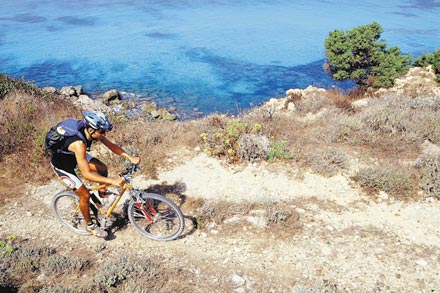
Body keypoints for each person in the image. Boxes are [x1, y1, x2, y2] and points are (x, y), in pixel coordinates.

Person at [49, 111, 140, 238]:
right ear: (91, 129)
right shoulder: (79, 144)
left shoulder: (93, 132)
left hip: (74, 157)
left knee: (102, 168)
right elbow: (86, 174)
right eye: (102, 132)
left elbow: (112, 146)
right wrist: (112, 181)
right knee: (84, 195)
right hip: (62, 165)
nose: (104, 134)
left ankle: (102, 193)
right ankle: (90, 225)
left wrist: (129, 157)